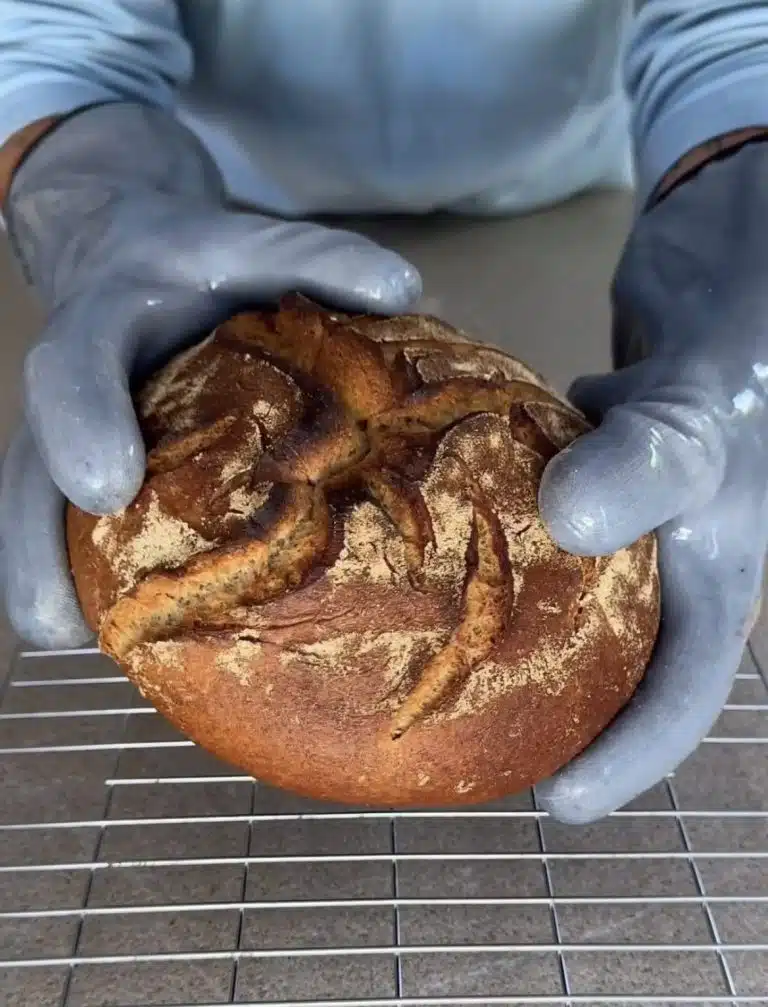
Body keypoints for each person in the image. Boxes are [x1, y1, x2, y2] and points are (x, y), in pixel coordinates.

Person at [0, 1, 765, 824]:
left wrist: (742, 257)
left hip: (581, 196)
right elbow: (53, 35)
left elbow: (736, 35)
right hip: (209, 214)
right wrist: (96, 200)